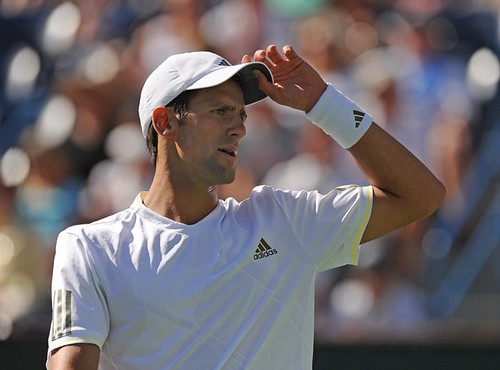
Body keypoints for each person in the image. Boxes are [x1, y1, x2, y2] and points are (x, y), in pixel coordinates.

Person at [47, 44, 445, 369]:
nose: (239, 127)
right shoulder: (88, 248)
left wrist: (325, 104)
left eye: (240, 114)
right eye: (221, 111)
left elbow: (421, 195)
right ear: (165, 122)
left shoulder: (286, 221)